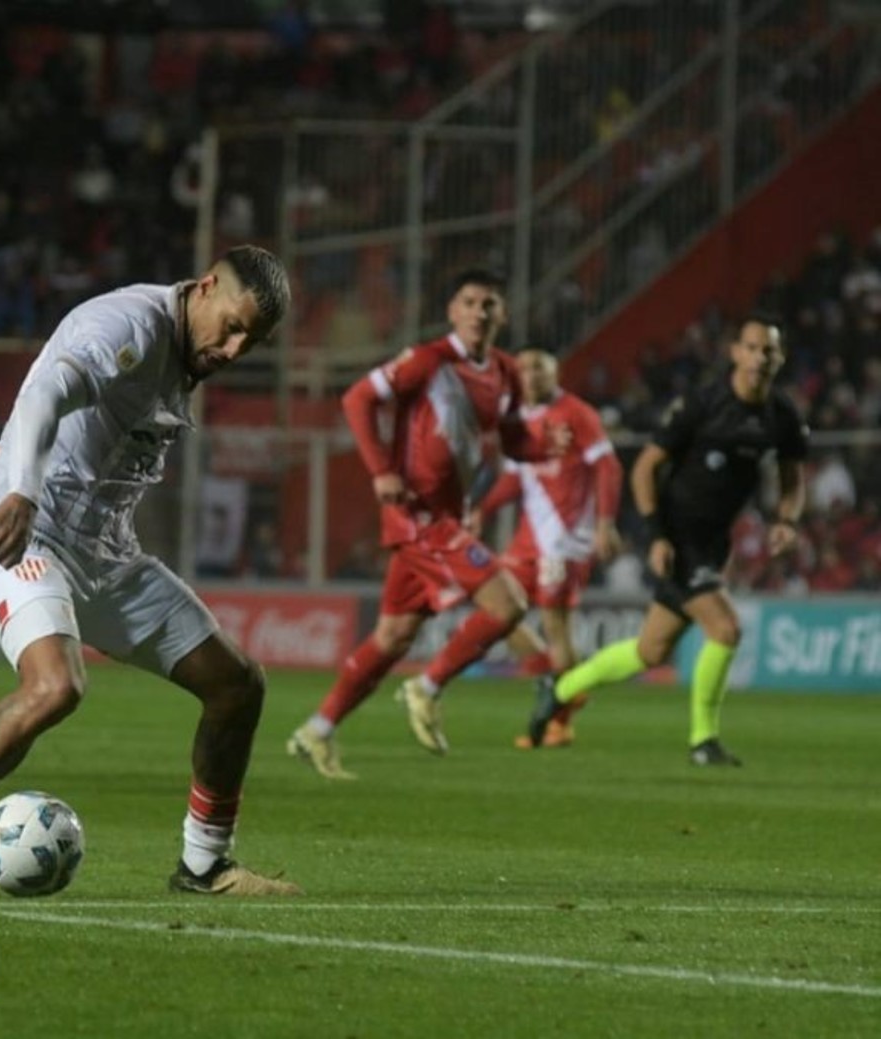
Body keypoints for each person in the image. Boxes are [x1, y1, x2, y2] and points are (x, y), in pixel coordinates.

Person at [0, 245, 301, 896]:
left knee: (236, 683)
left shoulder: (186, 352)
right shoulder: (129, 324)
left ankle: (205, 863)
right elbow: (47, 387)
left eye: (253, 341)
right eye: (233, 326)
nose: (236, 349)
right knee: (55, 686)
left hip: (105, 552)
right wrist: (22, 487)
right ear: (205, 286)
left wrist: (21, 452)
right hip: (22, 532)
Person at [287, 269, 560, 778]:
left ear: (503, 314)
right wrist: (382, 471)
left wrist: (547, 445)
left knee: (392, 636)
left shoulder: (504, 371)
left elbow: (515, 440)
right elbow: (357, 399)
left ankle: (315, 732)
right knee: (509, 603)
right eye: (470, 301)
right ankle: (426, 687)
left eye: (490, 303)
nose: (480, 311)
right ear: (453, 311)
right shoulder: (428, 361)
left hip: (447, 517)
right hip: (418, 515)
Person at [527, 317, 809, 765]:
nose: (760, 358)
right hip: (677, 537)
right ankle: (703, 741)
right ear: (735, 352)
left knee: (650, 650)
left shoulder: (782, 414)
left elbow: (793, 475)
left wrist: (786, 520)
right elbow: (645, 467)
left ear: (780, 358)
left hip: (714, 544)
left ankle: (558, 688)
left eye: (769, 351)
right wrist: (656, 536)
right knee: (726, 629)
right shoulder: (704, 403)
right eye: (752, 348)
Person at [471, 349, 623, 749]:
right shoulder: (517, 419)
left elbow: (608, 466)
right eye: (522, 367)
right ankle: (559, 684)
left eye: (539, 366)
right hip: (527, 540)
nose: (529, 373)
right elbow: (513, 478)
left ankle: (561, 721)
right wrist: (481, 511)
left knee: (556, 627)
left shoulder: (577, 413)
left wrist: (605, 523)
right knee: (494, 606)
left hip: (565, 540)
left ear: (556, 373)